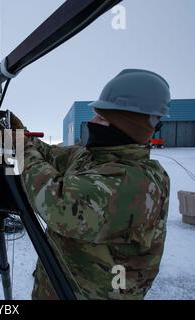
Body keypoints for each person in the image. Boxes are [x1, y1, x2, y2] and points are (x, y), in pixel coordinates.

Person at [12, 69, 171, 299]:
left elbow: (57, 203)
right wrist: (23, 135)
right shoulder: (92, 157)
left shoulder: (137, 183)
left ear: (127, 126)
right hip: (58, 288)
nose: (92, 122)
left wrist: (20, 146)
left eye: (102, 118)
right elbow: (48, 154)